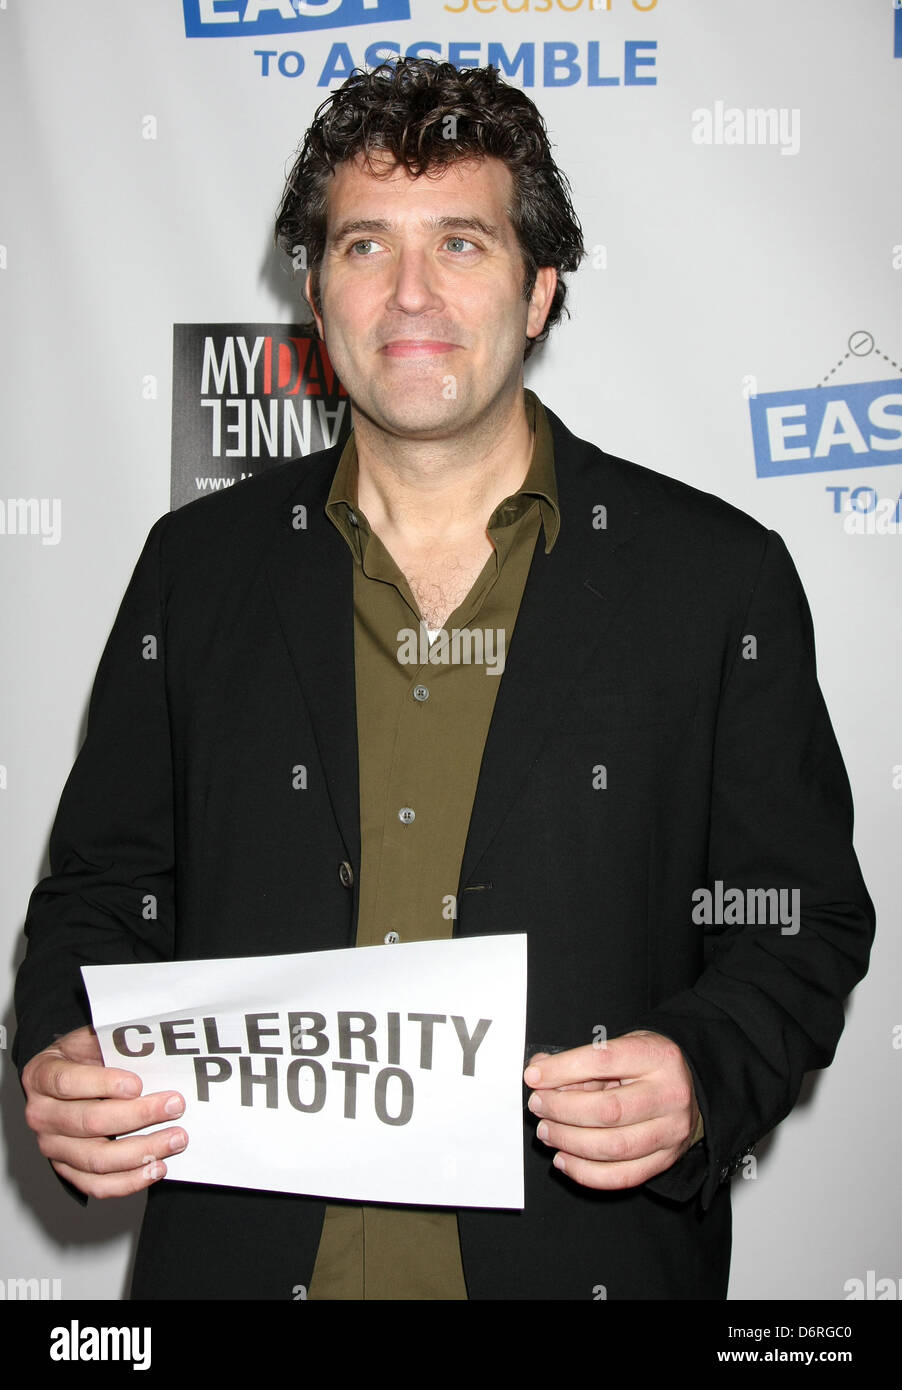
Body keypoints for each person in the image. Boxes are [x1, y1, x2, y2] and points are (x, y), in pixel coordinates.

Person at [14, 58, 874, 1300]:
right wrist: (64, 1046)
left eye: (461, 243)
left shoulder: (714, 579)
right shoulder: (194, 570)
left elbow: (795, 919)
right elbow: (101, 889)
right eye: (364, 246)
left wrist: (703, 1067)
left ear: (539, 290)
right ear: (313, 291)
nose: (409, 294)